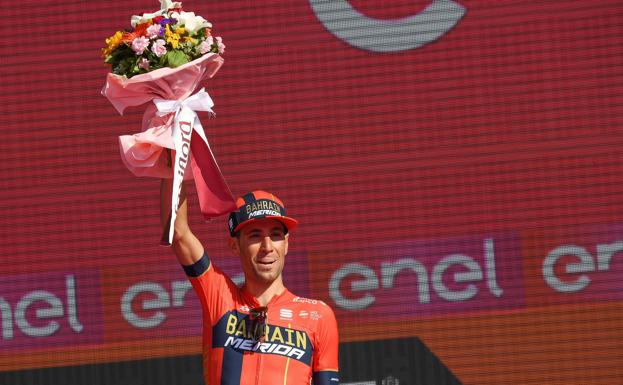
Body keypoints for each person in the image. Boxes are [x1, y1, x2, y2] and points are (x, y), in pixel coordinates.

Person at [161, 179, 340, 385]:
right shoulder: (221, 299)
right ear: (234, 246)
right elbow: (178, 233)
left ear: (287, 244)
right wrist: (173, 165)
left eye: (276, 235)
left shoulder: (318, 316)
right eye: (255, 235)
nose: (267, 246)